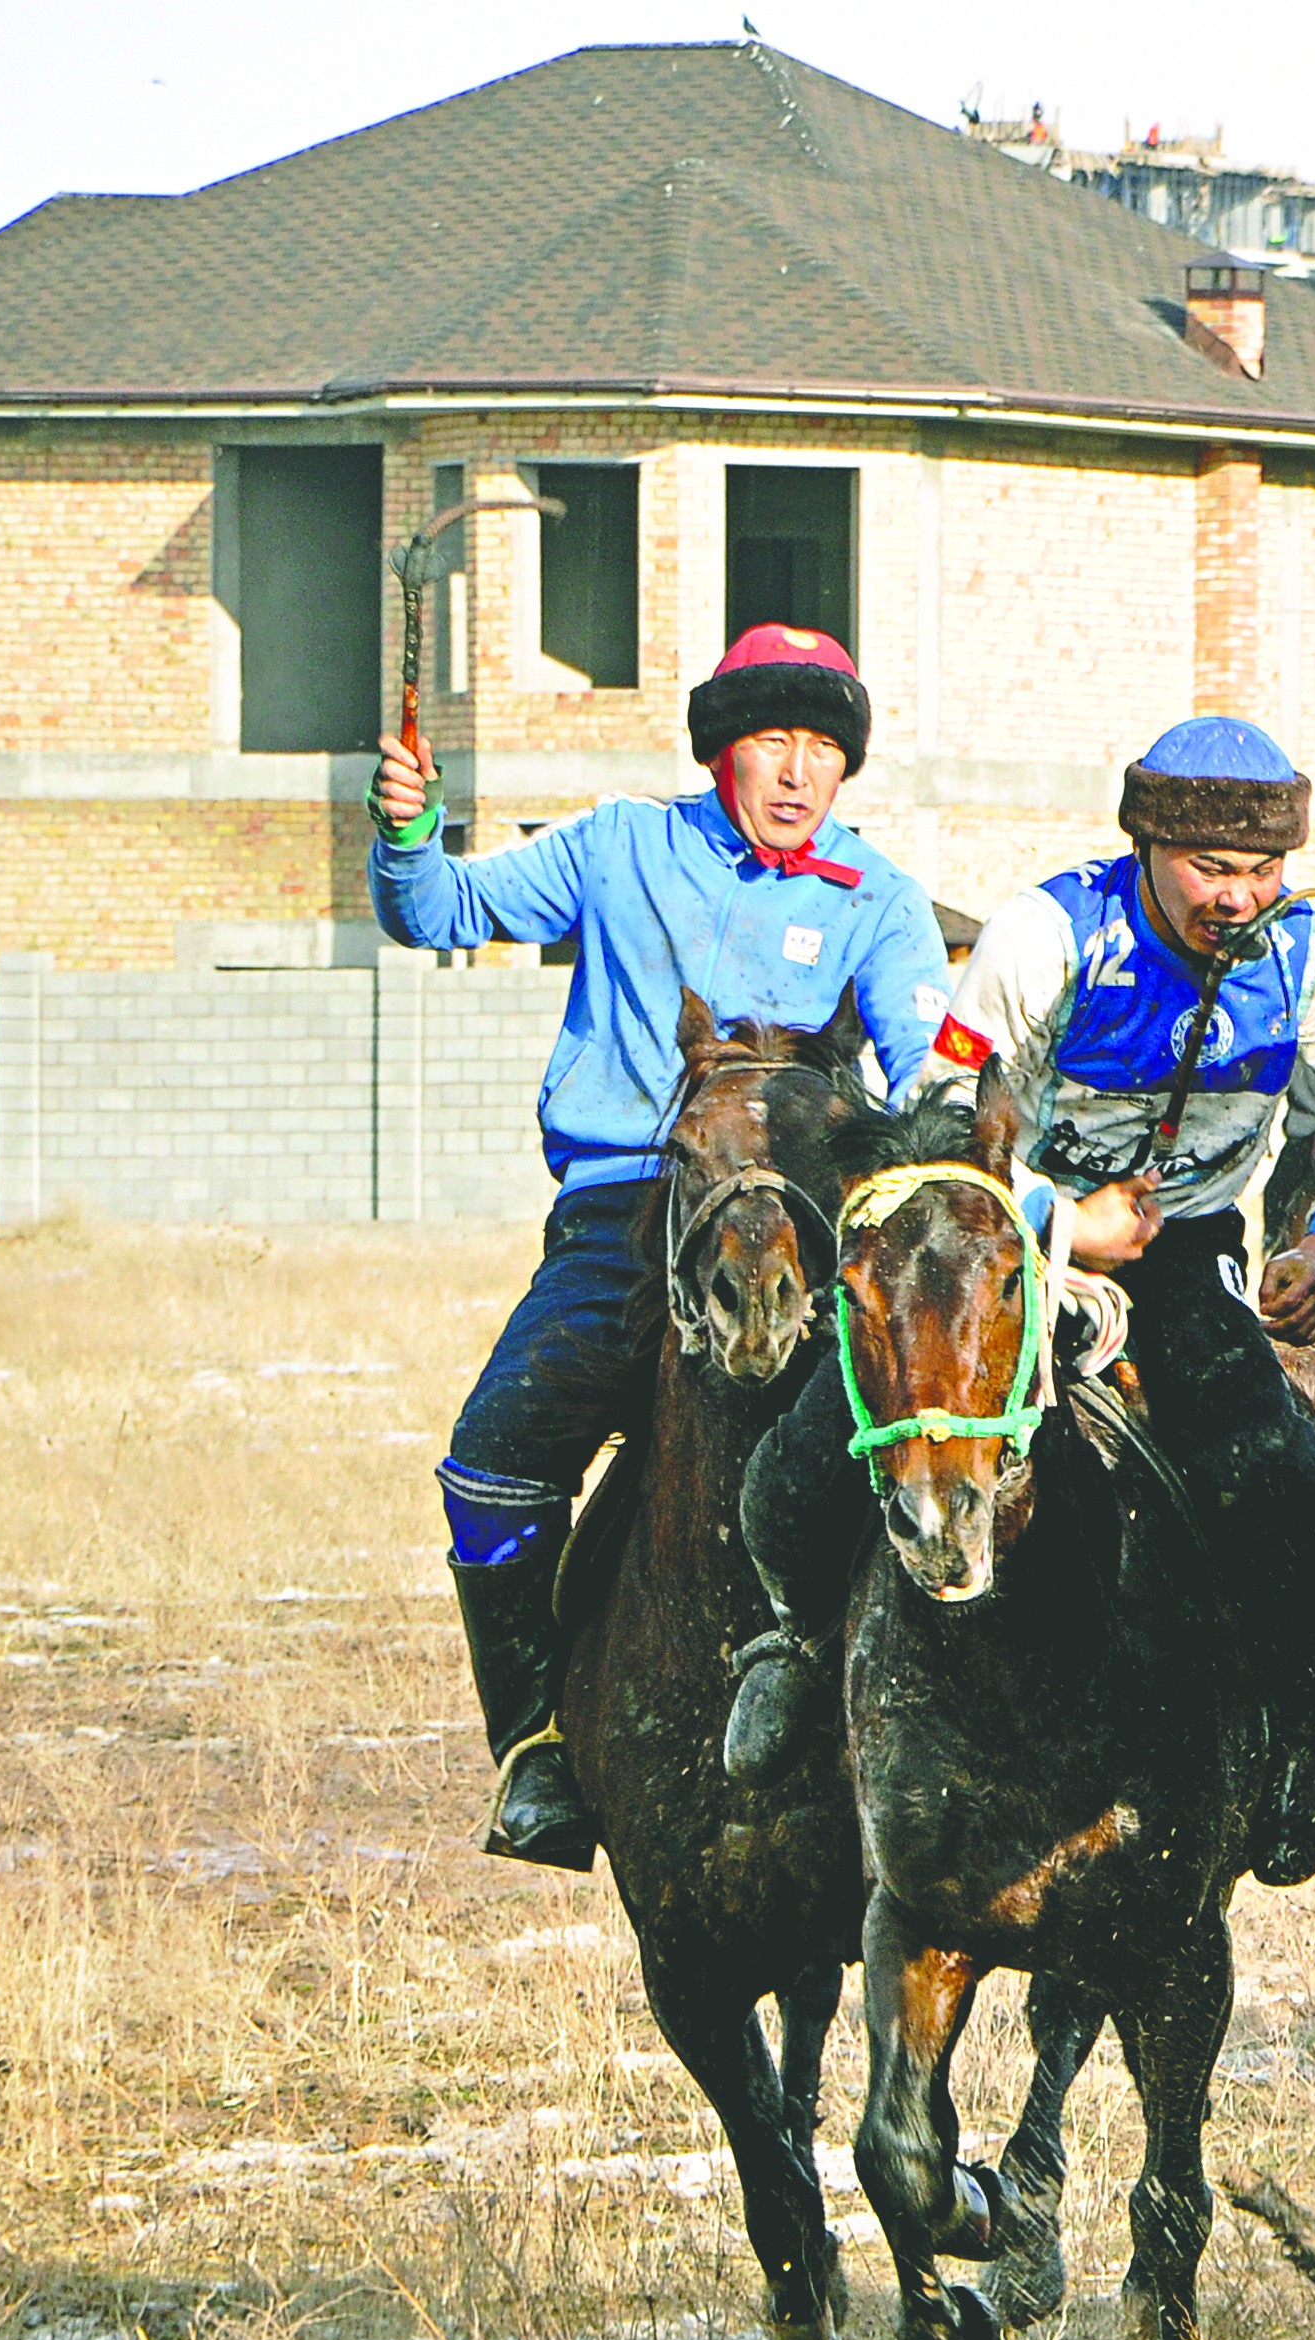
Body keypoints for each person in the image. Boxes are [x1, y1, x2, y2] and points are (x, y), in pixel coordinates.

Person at [716, 715, 1315, 1889]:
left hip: (1186, 1260)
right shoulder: (1048, 934)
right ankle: (791, 1651)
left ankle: (1301, 1739)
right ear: (1144, 845)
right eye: (1209, 871)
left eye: (1261, 872)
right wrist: (1060, 1223)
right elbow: (937, 1118)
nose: (1238, 898)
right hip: (999, 1244)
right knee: (807, 1448)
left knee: (1288, 1478)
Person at [369, 624, 946, 1871]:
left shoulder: (881, 902)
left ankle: (914, 1742)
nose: (796, 773)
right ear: (720, 751)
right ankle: (531, 1747)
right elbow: (440, 909)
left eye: (821, 749)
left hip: (800, 1230)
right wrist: (411, 833)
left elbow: (920, 1062)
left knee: (922, 1453)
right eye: (769, 742)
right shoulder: (620, 844)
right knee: (490, 1463)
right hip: (625, 1214)